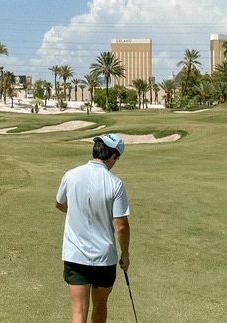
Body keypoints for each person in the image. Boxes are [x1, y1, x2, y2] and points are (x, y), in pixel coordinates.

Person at [55, 134, 131, 323]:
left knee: (78, 311)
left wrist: (77, 212)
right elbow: (121, 226)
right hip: (104, 258)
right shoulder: (115, 183)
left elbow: (60, 204)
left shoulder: (70, 175)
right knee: (100, 305)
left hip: (75, 256)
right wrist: (125, 254)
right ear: (113, 156)